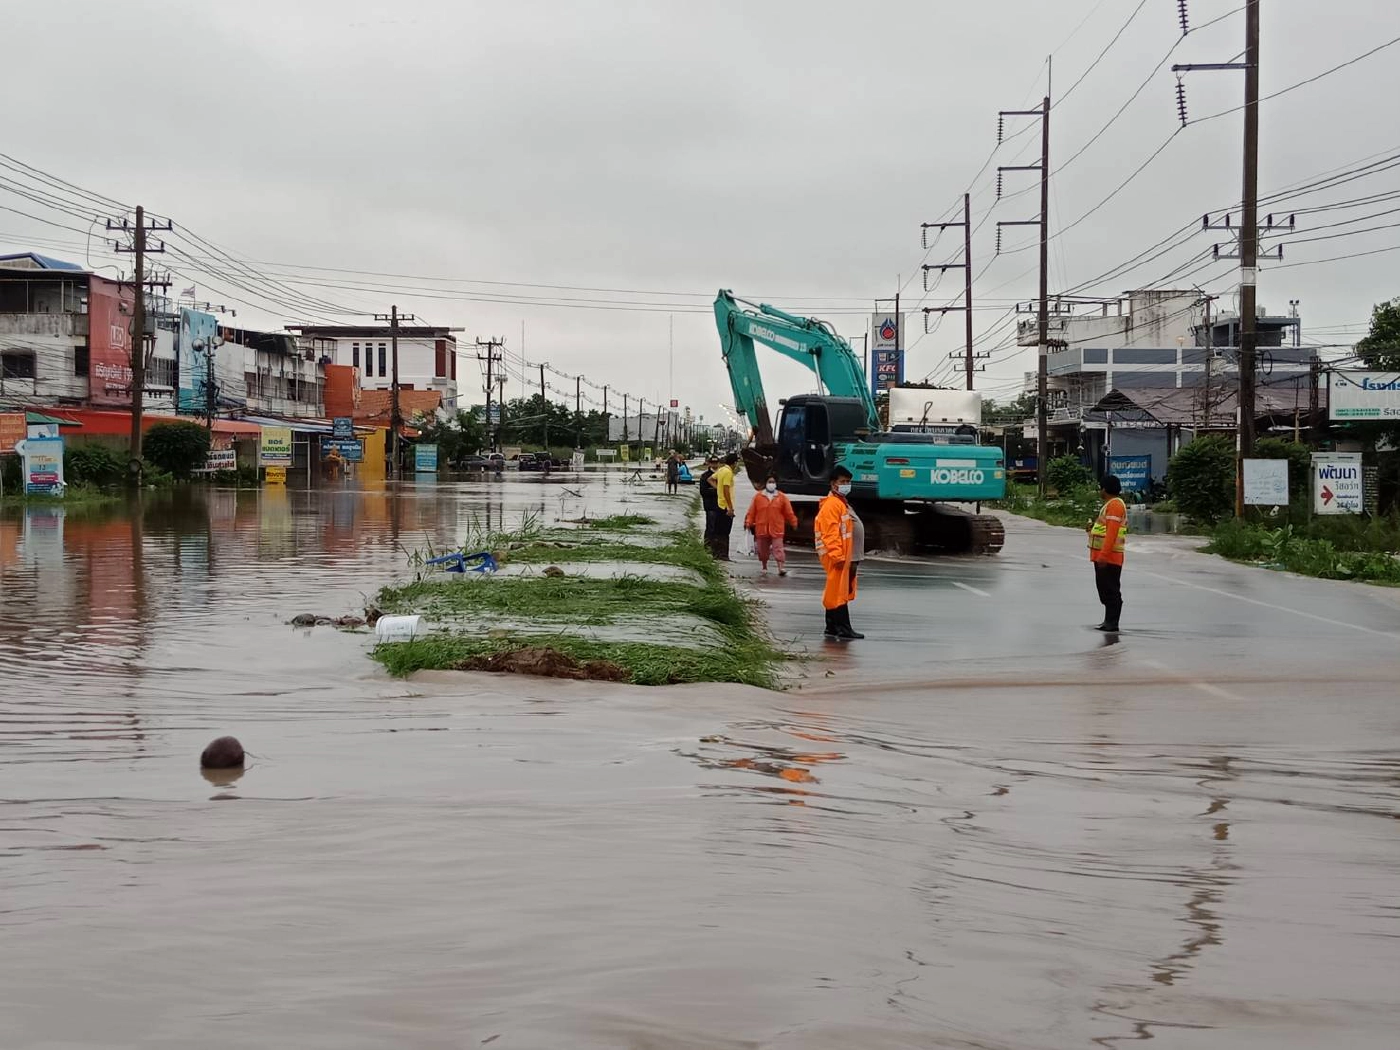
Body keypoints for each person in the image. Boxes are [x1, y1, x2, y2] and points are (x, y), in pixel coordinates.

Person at [814, 465, 864, 639]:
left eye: (848, 482)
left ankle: (832, 626)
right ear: (833, 484)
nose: (846, 485)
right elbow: (830, 533)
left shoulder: (840, 503)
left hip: (842, 555)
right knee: (839, 592)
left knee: (836, 591)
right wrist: (837, 556)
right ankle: (843, 628)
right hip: (837, 557)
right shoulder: (832, 505)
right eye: (842, 482)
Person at [1087, 474, 1128, 631]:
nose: (1100, 491)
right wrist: (1092, 530)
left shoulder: (1115, 505)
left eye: (1100, 488)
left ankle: (1112, 622)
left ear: (1105, 489)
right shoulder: (1110, 504)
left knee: (1110, 589)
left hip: (1110, 557)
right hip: (1103, 556)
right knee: (1104, 588)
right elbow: (1105, 529)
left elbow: (1112, 532)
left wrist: (1104, 556)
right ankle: (1108, 621)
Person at [744, 475, 798, 576]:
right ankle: (764, 566)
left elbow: (789, 512)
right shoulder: (758, 497)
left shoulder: (782, 497)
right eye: (770, 482)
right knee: (762, 550)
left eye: (773, 482)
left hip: (777, 528)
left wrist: (793, 522)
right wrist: (748, 522)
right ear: (766, 483)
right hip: (762, 528)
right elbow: (752, 511)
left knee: (778, 548)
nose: (771, 484)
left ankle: (781, 567)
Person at [709, 453, 739, 560]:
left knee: (718, 530)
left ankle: (716, 553)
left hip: (719, 504)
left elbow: (710, 479)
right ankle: (723, 555)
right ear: (734, 463)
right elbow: (726, 489)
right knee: (725, 532)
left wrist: (718, 489)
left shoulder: (721, 470)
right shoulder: (728, 472)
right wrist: (730, 507)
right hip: (725, 506)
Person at [698, 456, 720, 553]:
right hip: (710, 505)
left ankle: (716, 548)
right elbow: (703, 491)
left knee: (719, 528)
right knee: (710, 527)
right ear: (709, 463)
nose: (715, 465)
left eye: (716, 463)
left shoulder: (721, 475)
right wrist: (716, 491)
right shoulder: (705, 476)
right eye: (713, 463)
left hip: (721, 506)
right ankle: (707, 548)